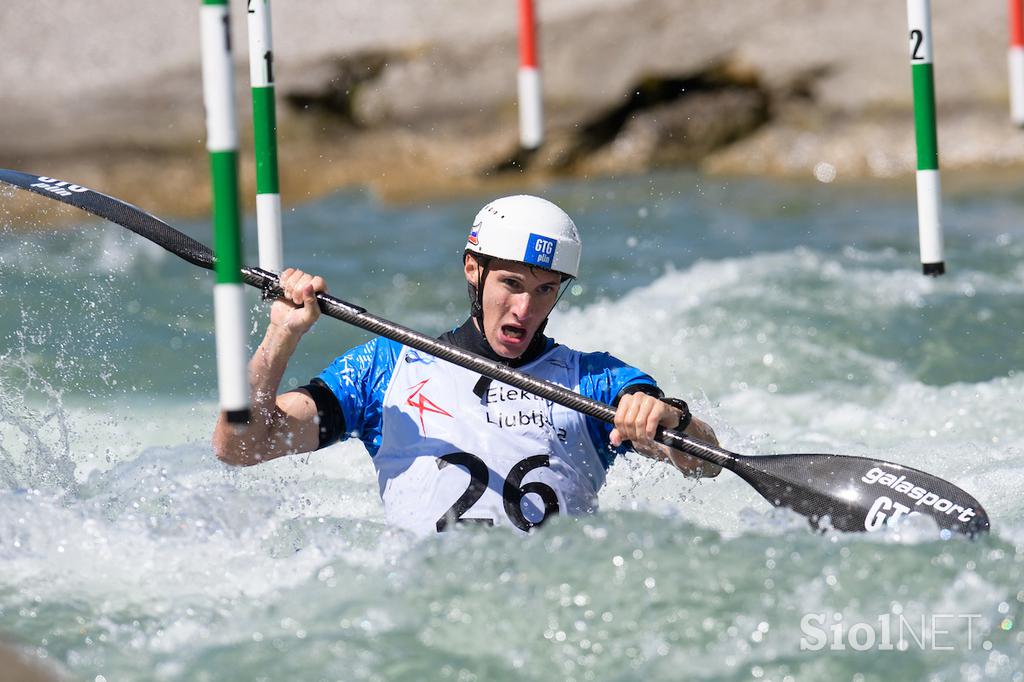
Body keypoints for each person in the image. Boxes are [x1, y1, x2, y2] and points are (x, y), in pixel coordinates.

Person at [213, 195, 720, 534]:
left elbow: (705, 463)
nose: (526, 310)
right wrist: (282, 335)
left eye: (546, 290)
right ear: (473, 270)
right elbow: (241, 445)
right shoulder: (384, 367)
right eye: (512, 285)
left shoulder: (599, 381)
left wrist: (669, 418)